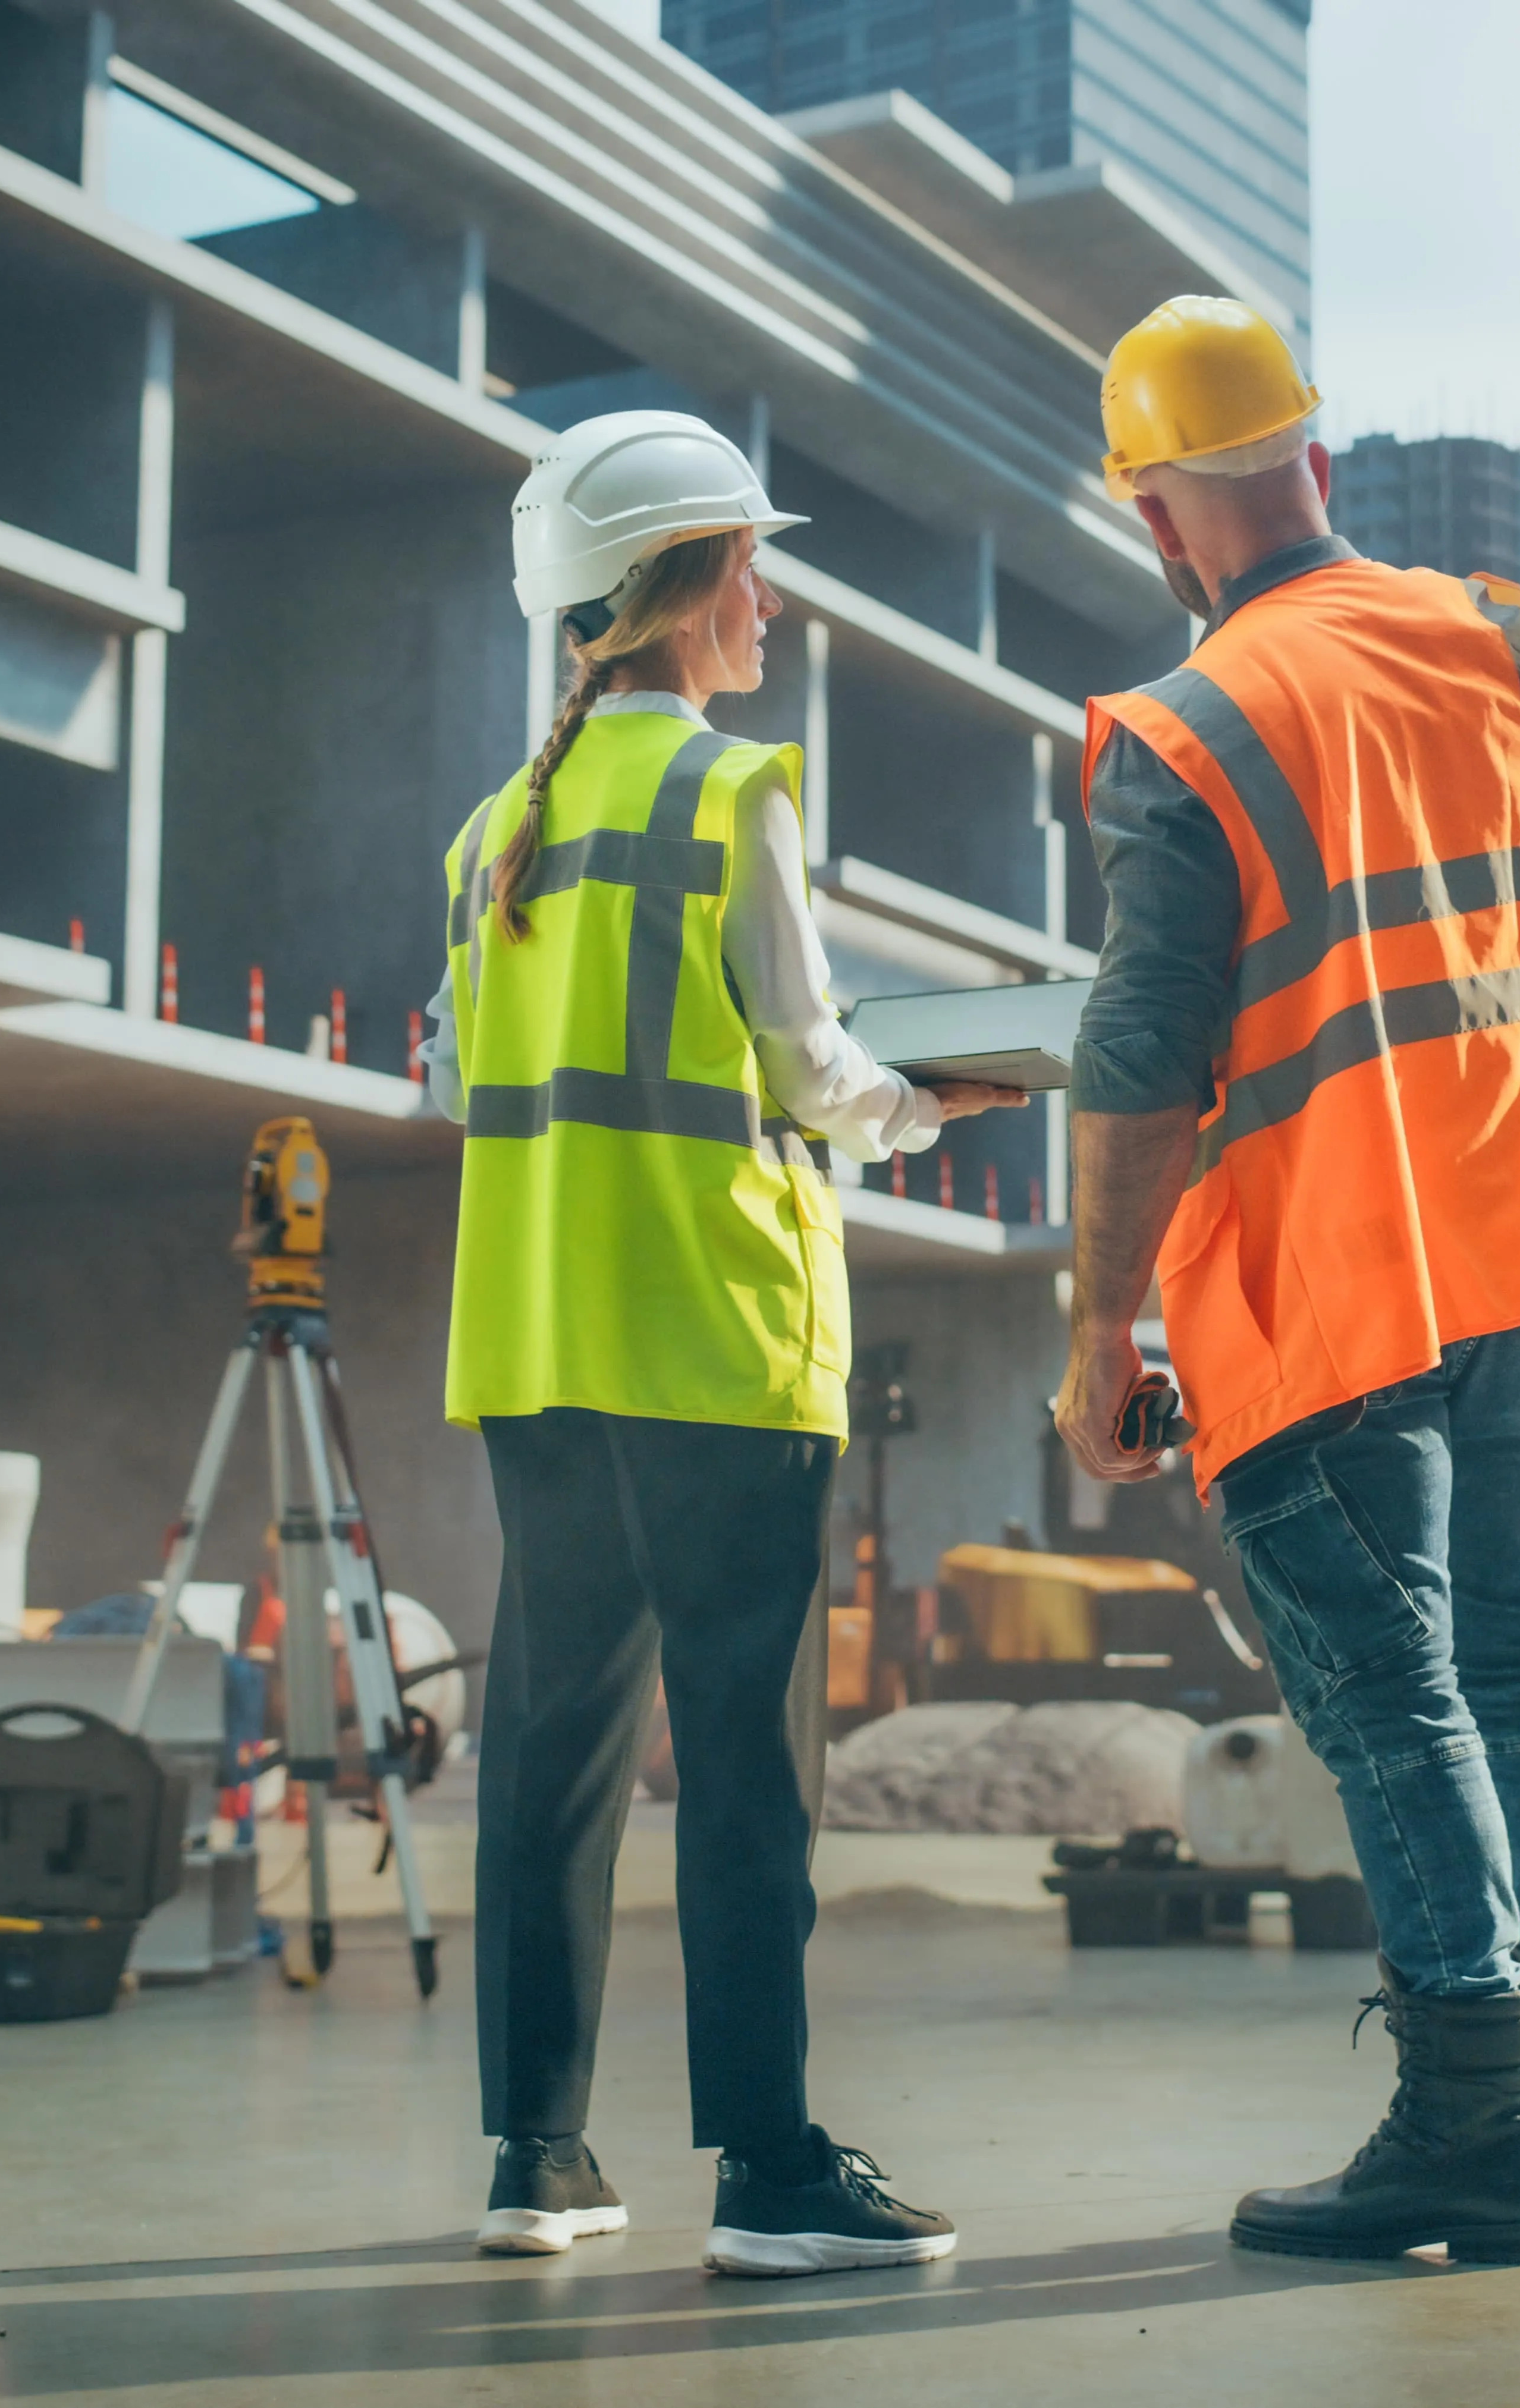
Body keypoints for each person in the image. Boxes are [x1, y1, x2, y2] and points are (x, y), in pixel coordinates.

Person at [1048, 297, 1520, 2265]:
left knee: (1394, 1705)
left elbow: (1138, 1058)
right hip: (1516, 1260)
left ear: (1155, 515)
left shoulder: (1185, 734)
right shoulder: (1494, 640)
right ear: (1317, 459)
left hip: (1328, 1293)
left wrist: (1098, 1328)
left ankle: (1470, 2124)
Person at [428, 410, 1022, 2278]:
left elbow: (456, 1075)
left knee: (550, 1759)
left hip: (539, 1344)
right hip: (720, 1339)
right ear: (686, 585)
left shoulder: (493, 831)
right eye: (752, 567)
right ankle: (768, 2170)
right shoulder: (729, 792)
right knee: (749, 1773)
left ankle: (539, 2157)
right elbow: (811, 1064)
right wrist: (926, 1105)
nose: (769, 602)